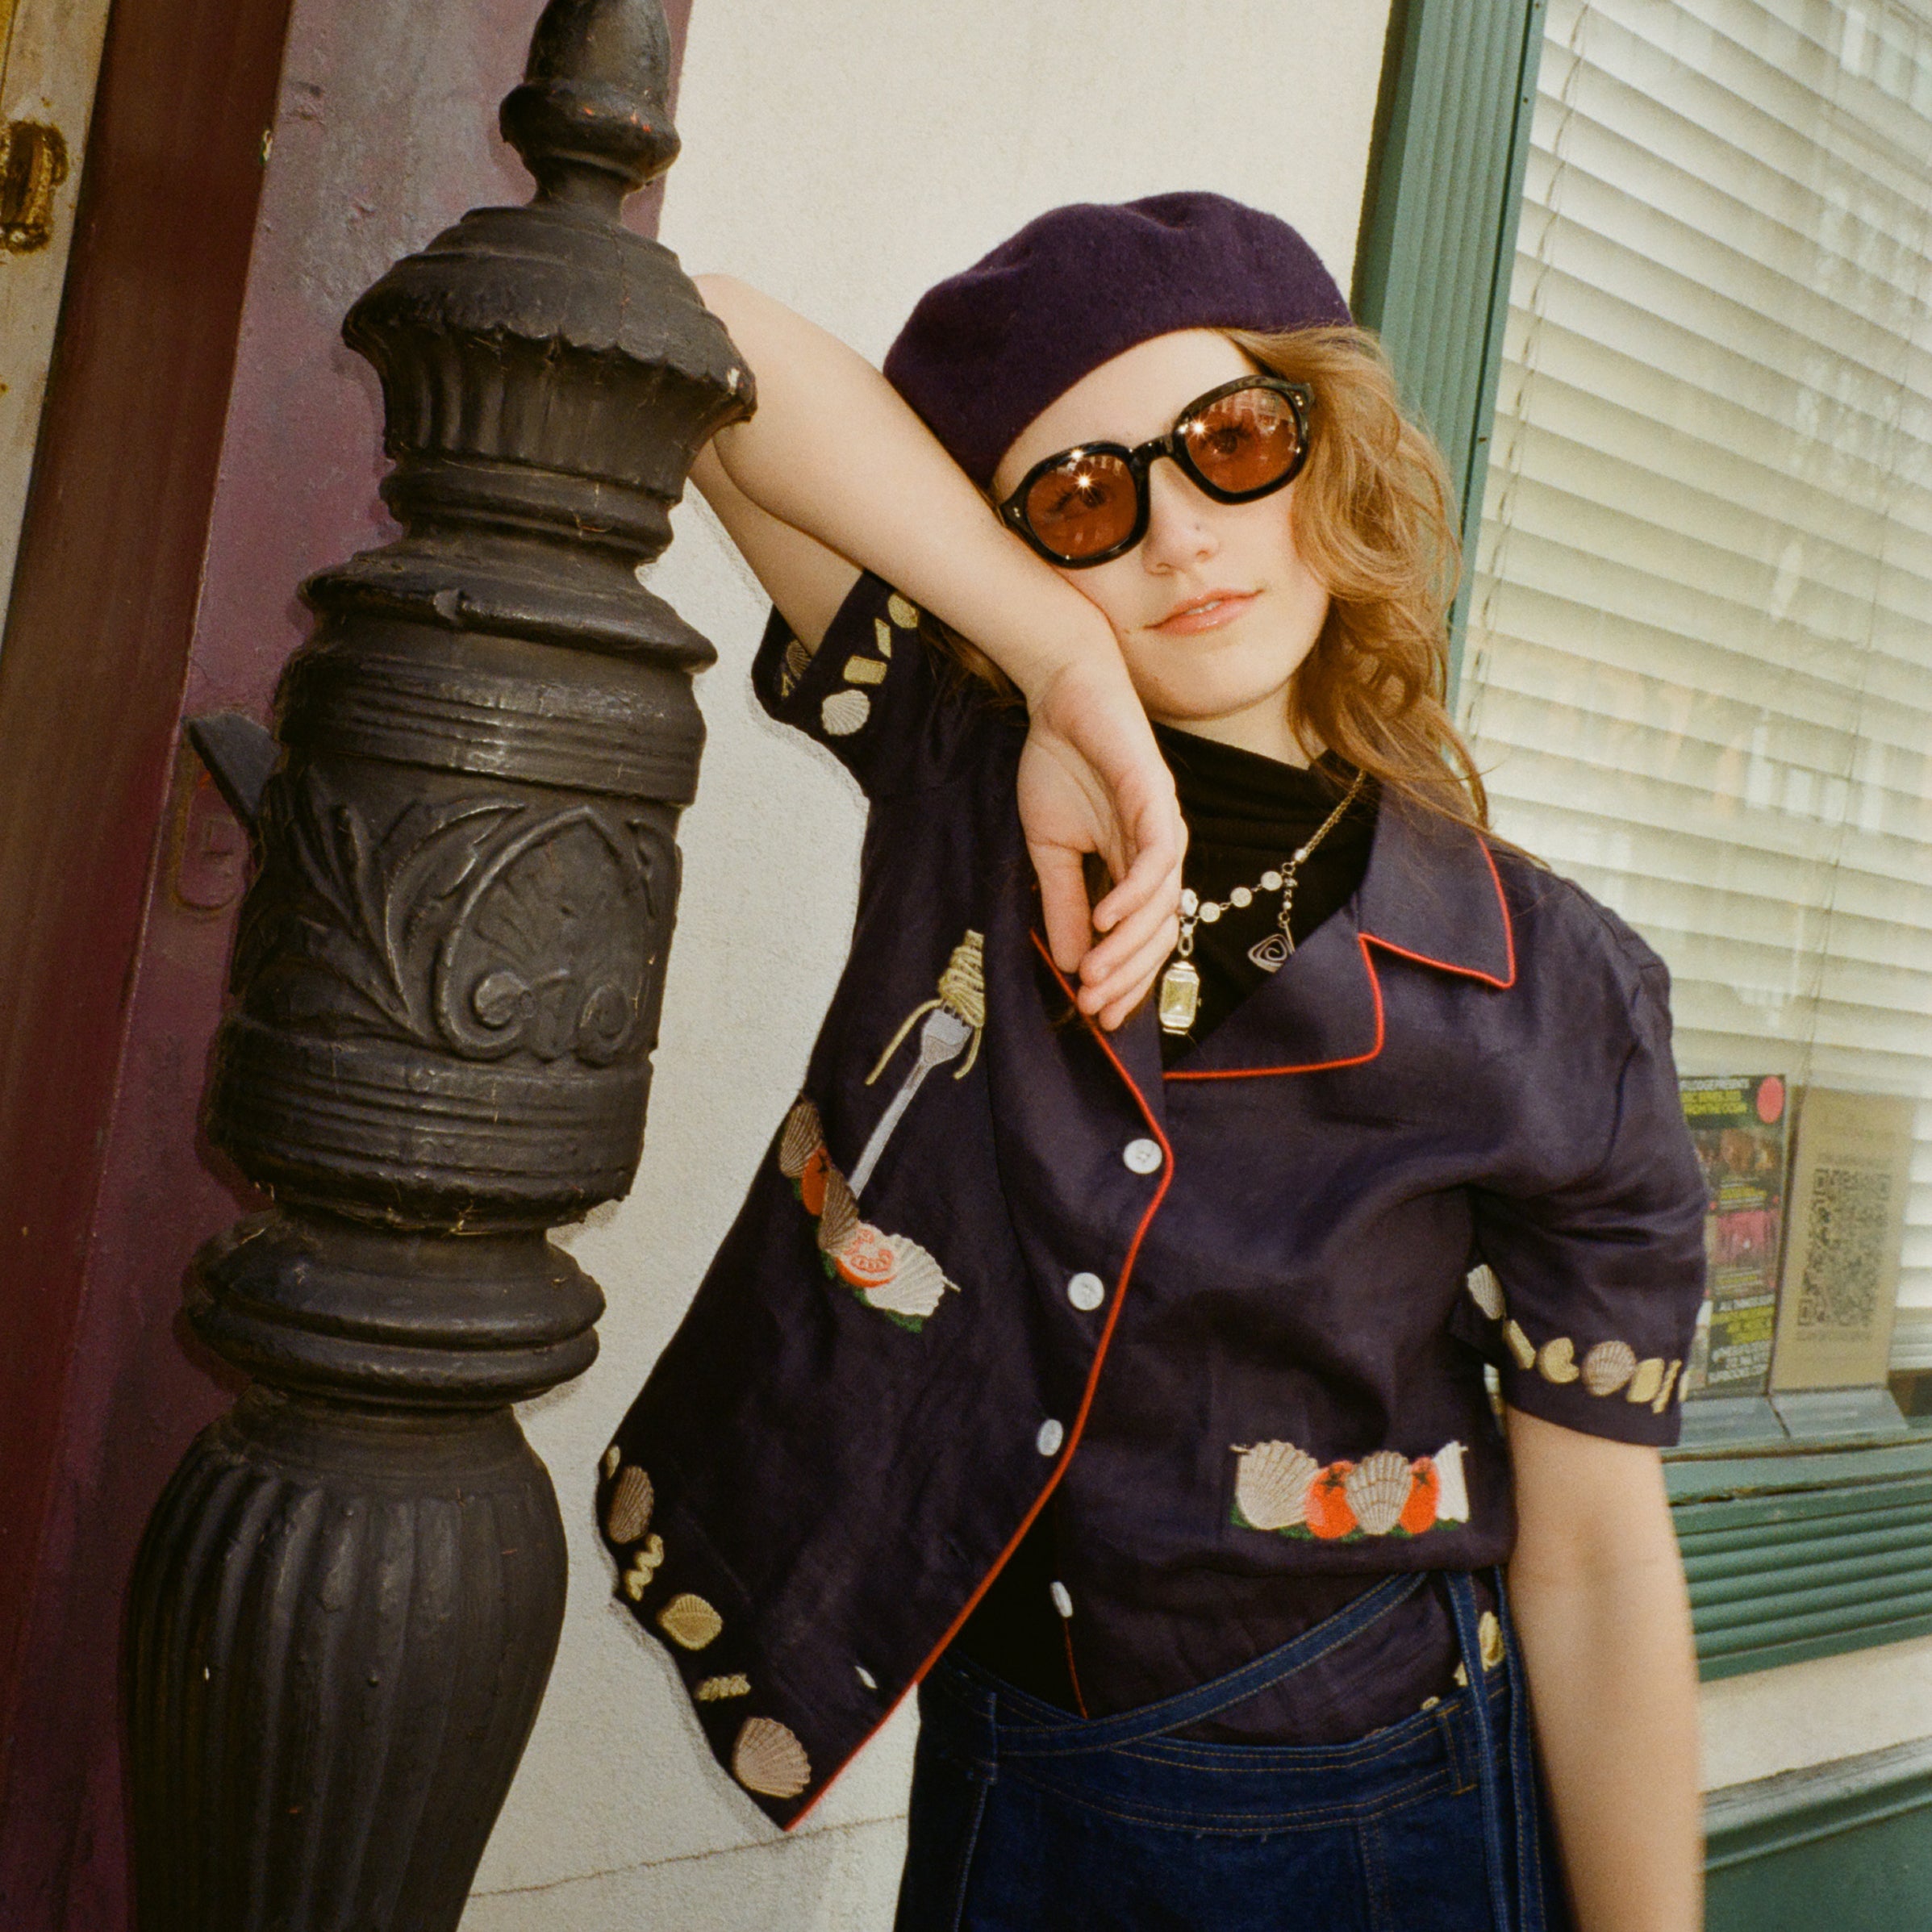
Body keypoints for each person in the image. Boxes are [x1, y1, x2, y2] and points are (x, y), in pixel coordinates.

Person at [596, 193, 1708, 1932]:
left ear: (1328, 450)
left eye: (1233, 440)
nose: (1180, 533)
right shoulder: (967, 765)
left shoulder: (1551, 984)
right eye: (1086, 498)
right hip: (1018, 1765)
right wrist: (1055, 671)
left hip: (1368, 1792)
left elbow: (1596, 1552)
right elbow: (697, 325)